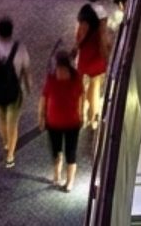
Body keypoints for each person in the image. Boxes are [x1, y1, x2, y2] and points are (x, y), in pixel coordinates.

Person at [0, 17, 31, 168]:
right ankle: (10, 156)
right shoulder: (20, 48)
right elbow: (26, 71)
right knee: (12, 124)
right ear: (11, 31)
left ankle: (6, 144)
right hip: (15, 92)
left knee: (1, 120)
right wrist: (28, 87)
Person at [40, 50, 84, 191]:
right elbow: (44, 98)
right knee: (56, 151)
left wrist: (82, 114)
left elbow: (81, 98)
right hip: (53, 123)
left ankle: (70, 182)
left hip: (72, 123)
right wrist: (41, 116)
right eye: (57, 69)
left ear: (67, 68)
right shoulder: (51, 79)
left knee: (71, 153)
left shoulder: (76, 80)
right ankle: (57, 175)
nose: (59, 73)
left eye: (61, 70)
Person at [75, 4, 111, 128]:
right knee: (94, 87)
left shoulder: (81, 26)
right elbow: (103, 46)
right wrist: (108, 60)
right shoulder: (100, 29)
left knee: (80, 89)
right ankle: (93, 118)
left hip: (84, 61)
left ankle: (80, 116)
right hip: (97, 62)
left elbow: (78, 43)